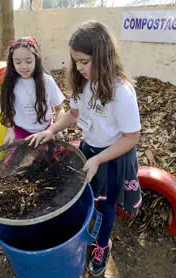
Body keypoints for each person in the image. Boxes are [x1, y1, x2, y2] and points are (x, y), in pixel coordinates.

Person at [27, 21, 142, 276]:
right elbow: (74, 114)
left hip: (112, 156)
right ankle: (88, 228)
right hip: (90, 149)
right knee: (86, 194)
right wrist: (51, 131)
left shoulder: (121, 92)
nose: (78, 67)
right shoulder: (84, 82)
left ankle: (103, 244)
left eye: (84, 61)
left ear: (103, 56)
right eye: (75, 61)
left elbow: (131, 137)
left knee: (106, 202)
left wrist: (99, 160)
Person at [0, 37, 66, 144]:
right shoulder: (9, 84)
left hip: (46, 133)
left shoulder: (47, 81)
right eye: (18, 62)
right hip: (21, 134)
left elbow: (59, 109)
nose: (24, 67)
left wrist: (55, 129)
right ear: (12, 63)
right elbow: (6, 112)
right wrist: (10, 132)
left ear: (36, 60)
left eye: (29, 61)